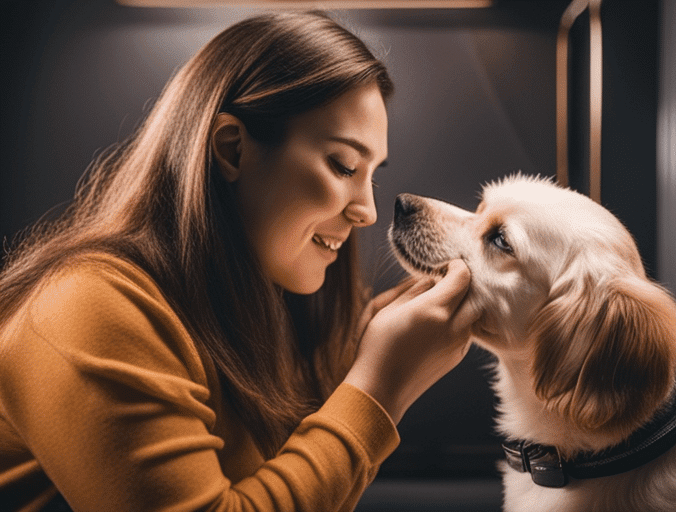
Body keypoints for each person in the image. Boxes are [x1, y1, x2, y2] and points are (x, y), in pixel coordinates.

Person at [0, 11, 478, 512]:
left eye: (372, 175)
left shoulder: (255, 317)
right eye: (343, 165)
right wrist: (380, 387)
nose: (368, 212)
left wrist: (351, 369)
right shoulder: (86, 308)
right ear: (232, 149)